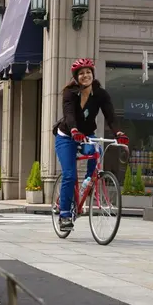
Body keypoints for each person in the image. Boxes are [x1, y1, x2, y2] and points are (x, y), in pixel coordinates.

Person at [54, 58, 127, 231]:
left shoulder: (100, 93)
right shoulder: (70, 93)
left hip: (87, 135)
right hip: (67, 135)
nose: (85, 76)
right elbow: (69, 114)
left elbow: (110, 116)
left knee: (96, 150)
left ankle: (88, 182)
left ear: (92, 74)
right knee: (70, 175)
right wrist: (73, 130)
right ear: (76, 77)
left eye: (88, 72)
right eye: (81, 73)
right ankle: (64, 214)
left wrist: (118, 133)